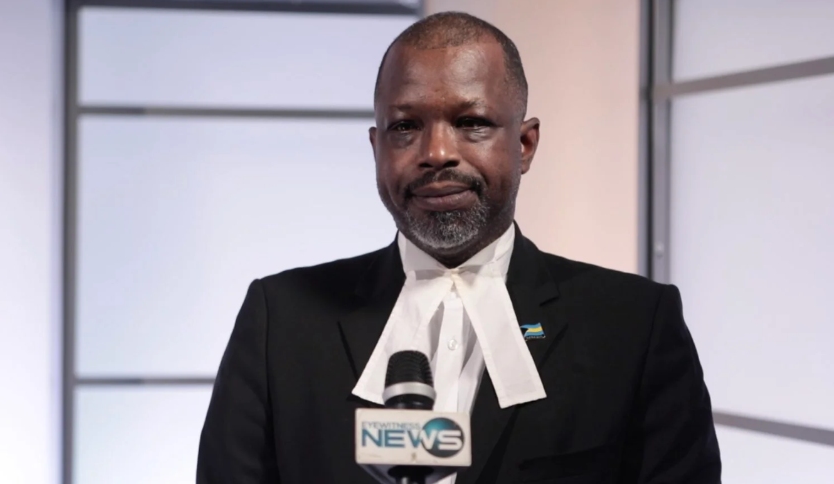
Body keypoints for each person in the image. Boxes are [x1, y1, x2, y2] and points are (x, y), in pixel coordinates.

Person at [196, 11, 721, 484]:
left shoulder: (634, 324)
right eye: (406, 127)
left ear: (524, 144)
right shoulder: (280, 317)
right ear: (377, 147)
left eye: (471, 123)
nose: (437, 153)